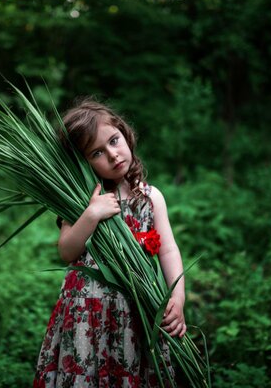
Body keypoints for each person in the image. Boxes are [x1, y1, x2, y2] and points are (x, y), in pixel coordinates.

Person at [33, 99, 186, 387]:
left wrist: (177, 298)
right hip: (87, 313)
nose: (113, 155)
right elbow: (67, 251)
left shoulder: (150, 197)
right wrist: (91, 214)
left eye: (114, 141)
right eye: (97, 153)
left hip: (136, 311)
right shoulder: (80, 200)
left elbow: (167, 249)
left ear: (124, 133)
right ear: (83, 162)